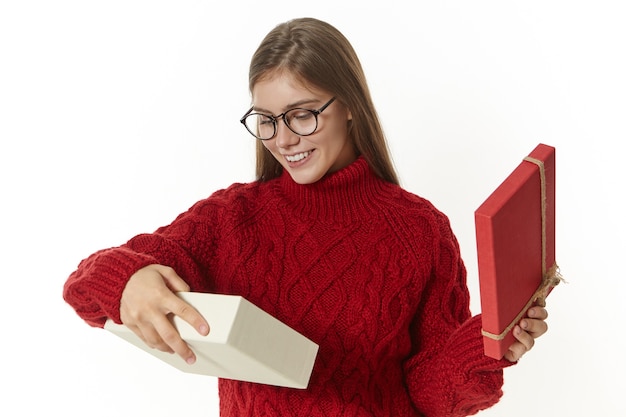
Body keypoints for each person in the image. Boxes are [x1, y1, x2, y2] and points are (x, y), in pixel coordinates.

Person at [63, 17, 549, 417]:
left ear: (351, 106)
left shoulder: (420, 230)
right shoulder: (234, 219)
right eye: (267, 120)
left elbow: (429, 395)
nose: (284, 139)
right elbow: (84, 287)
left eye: (301, 114)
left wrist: (487, 348)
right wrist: (129, 280)